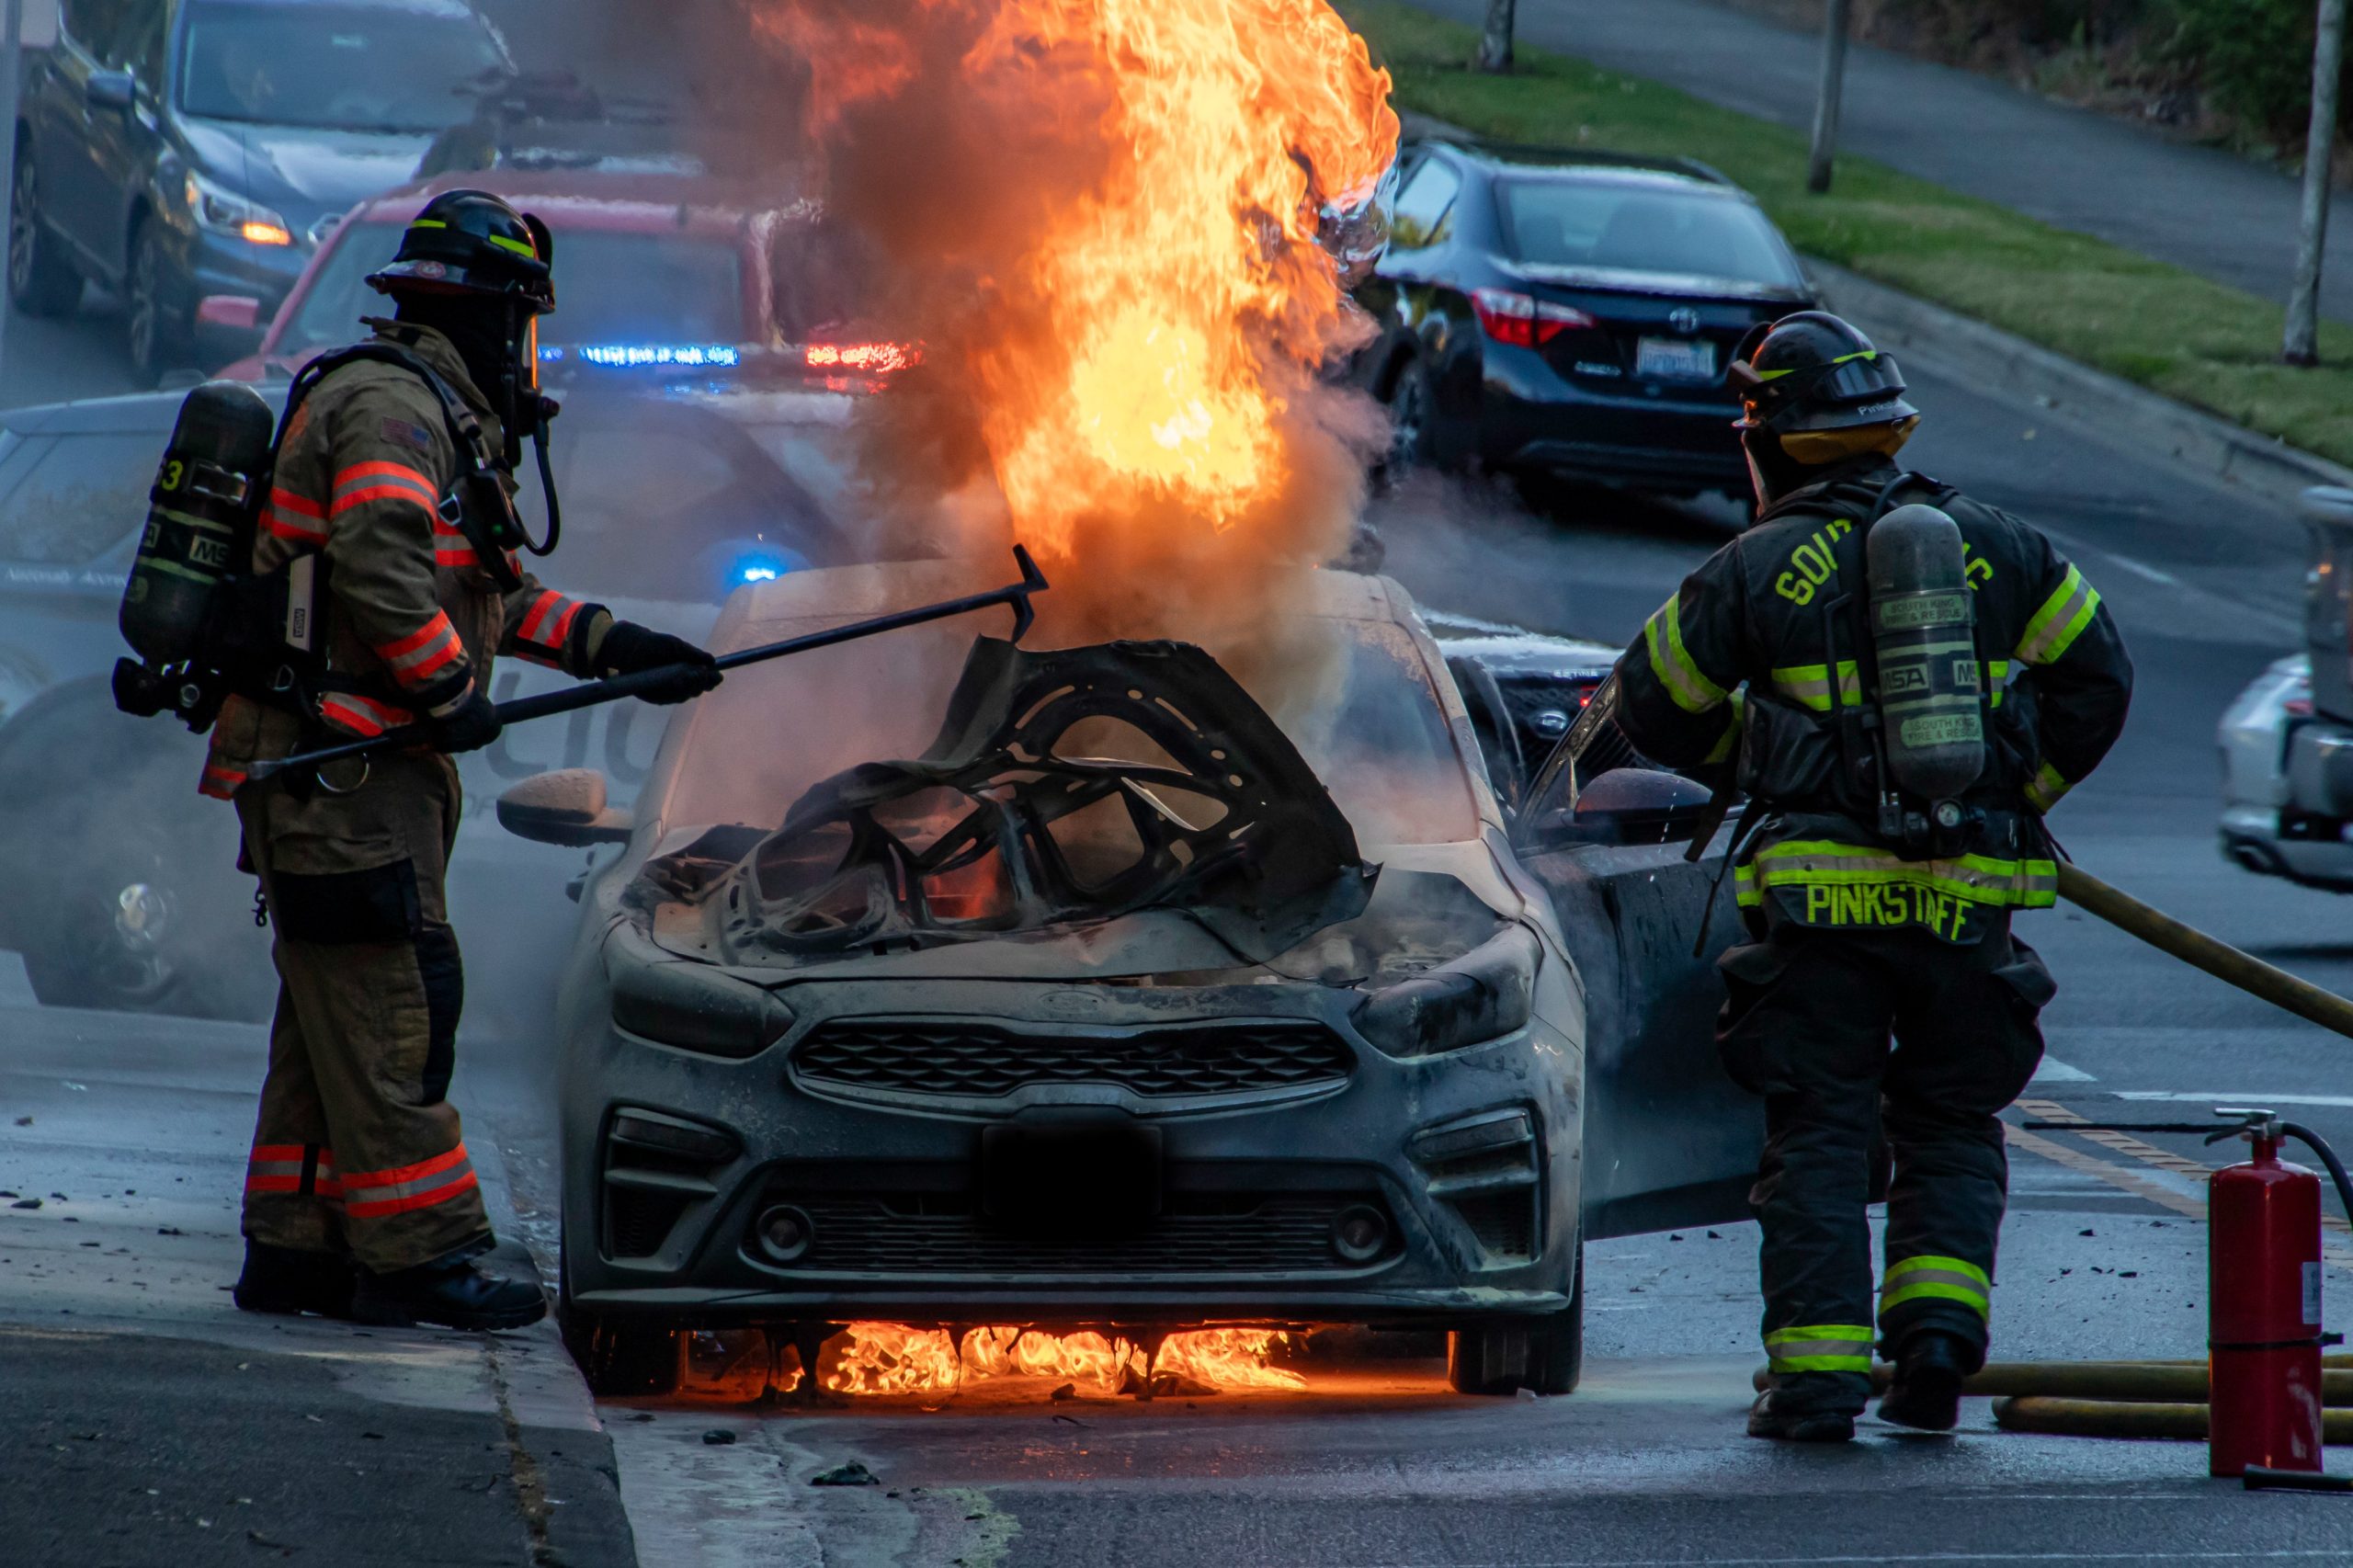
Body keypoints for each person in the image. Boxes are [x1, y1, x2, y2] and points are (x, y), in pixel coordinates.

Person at [1611, 311, 2133, 1442]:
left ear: (1769, 441)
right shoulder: (2000, 543)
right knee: (1949, 1121)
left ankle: (1815, 1382)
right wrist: (2017, 792)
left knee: (1820, 1131)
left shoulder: (1752, 567)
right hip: (1966, 900)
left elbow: (1650, 701)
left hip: (1821, 912)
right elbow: (2098, 679)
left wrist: (1757, 757)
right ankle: (1936, 1349)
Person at [209, 189, 721, 1331]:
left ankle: (295, 1248)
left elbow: (487, 594)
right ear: (486, 312)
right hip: (342, 771)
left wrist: (616, 645)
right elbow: (380, 571)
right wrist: (447, 691)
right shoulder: (393, 409)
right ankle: (416, 1256)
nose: (526, 352)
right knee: (398, 1011)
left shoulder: (431, 410)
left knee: (331, 1024)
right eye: (523, 322)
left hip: (351, 772)